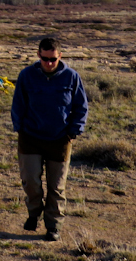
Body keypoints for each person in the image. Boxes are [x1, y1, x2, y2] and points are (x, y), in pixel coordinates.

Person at [11, 37, 88, 242]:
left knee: (57, 187)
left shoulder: (71, 77)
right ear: (38, 55)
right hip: (30, 138)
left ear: (60, 56)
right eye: (45, 59)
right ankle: (34, 213)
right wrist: (19, 128)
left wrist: (73, 131)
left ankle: (53, 225)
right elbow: (18, 104)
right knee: (30, 182)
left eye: (53, 59)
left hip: (60, 140)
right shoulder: (26, 75)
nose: (49, 63)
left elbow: (81, 107)